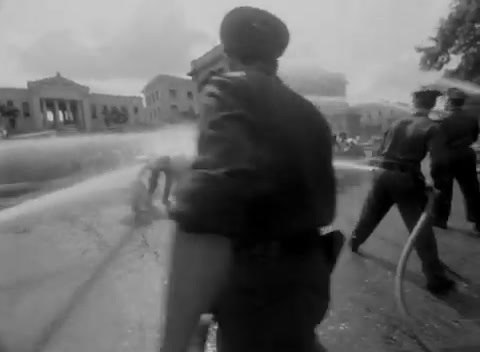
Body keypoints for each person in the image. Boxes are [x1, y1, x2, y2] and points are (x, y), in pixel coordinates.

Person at [160, 6, 341, 352]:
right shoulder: (309, 112)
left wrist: (173, 345)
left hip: (256, 287)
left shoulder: (230, 88)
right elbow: (268, 176)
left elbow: (210, 209)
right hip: (309, 278)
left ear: (227, 56)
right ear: (275, 57)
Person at [348, 88, 456, 296]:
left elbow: (380, 150)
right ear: (432, 105)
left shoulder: (397, 123)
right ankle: (435, 278)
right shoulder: (433, 127)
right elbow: (440, 162)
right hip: (405, 178)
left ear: (414, 103)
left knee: (370, 215)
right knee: (419, 226)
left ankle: (353, 243)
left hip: (382, 173)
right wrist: (439, 186)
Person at [432, 88, 480, 233]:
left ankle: (440, 220)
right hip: (466, 155)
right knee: (471, 190)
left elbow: (438, 141)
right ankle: (478, 222)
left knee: (444, 189)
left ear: (449, 102)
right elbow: (473, 137)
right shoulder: (471, 119)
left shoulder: (443, 120)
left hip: (447, 156)